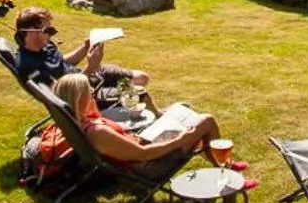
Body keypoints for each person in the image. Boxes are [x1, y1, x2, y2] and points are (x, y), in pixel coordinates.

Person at [52, 72, 226, 170]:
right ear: (79, 99)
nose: (93, 93)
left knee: (180, 111)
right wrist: (180, 140)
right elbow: (144, 154)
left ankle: (218, 162)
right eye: (89, 92)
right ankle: (226, 168)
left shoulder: (79, 122)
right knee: (206, 121)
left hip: (142, 145)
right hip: (150, 165)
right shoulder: (97, 132)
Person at [12, 5, 157, 113]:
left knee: (142, 77)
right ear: (31, 32)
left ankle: (149, 115)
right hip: (84, 94)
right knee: (140, 94)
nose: (52, 34)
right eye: (48, 30)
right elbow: (63, 95)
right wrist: (91, 67)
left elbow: (62, 62)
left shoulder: (44, 45)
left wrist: (85, 47)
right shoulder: (30, 66)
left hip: (90, 77)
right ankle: (154, 121)